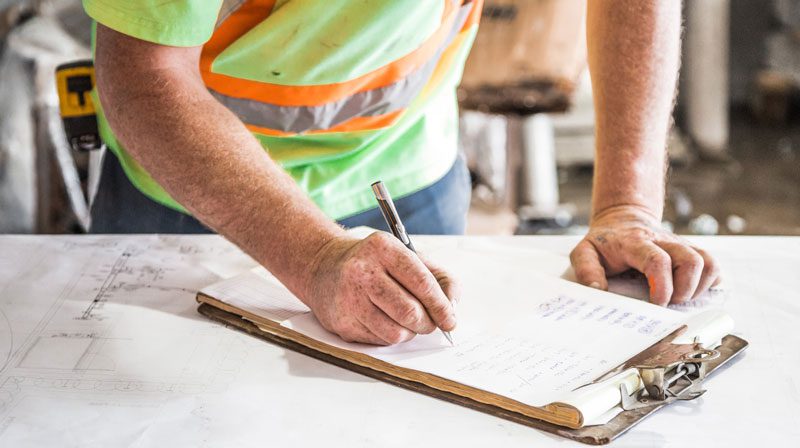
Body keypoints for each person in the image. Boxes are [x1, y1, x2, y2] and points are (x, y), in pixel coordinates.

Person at [85, 0, 720, 345]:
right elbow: (145, 75)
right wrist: (310, 255)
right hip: (196, 200)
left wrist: (626, 207)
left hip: (411, 174)